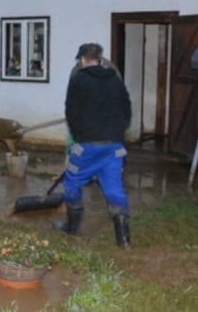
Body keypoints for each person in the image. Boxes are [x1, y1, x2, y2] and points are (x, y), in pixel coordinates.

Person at [56, 43, 133, 248]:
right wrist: (117, 132)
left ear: (82, 60)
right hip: (113, 147)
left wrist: (79, 136)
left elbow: (70, 112)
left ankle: (72, 229)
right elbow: (127, 108)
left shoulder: (78, 79)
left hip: (87, 146)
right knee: (113, 189)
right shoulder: (115, 80)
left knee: (72, 184)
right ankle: (123, 239)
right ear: (100, 59)